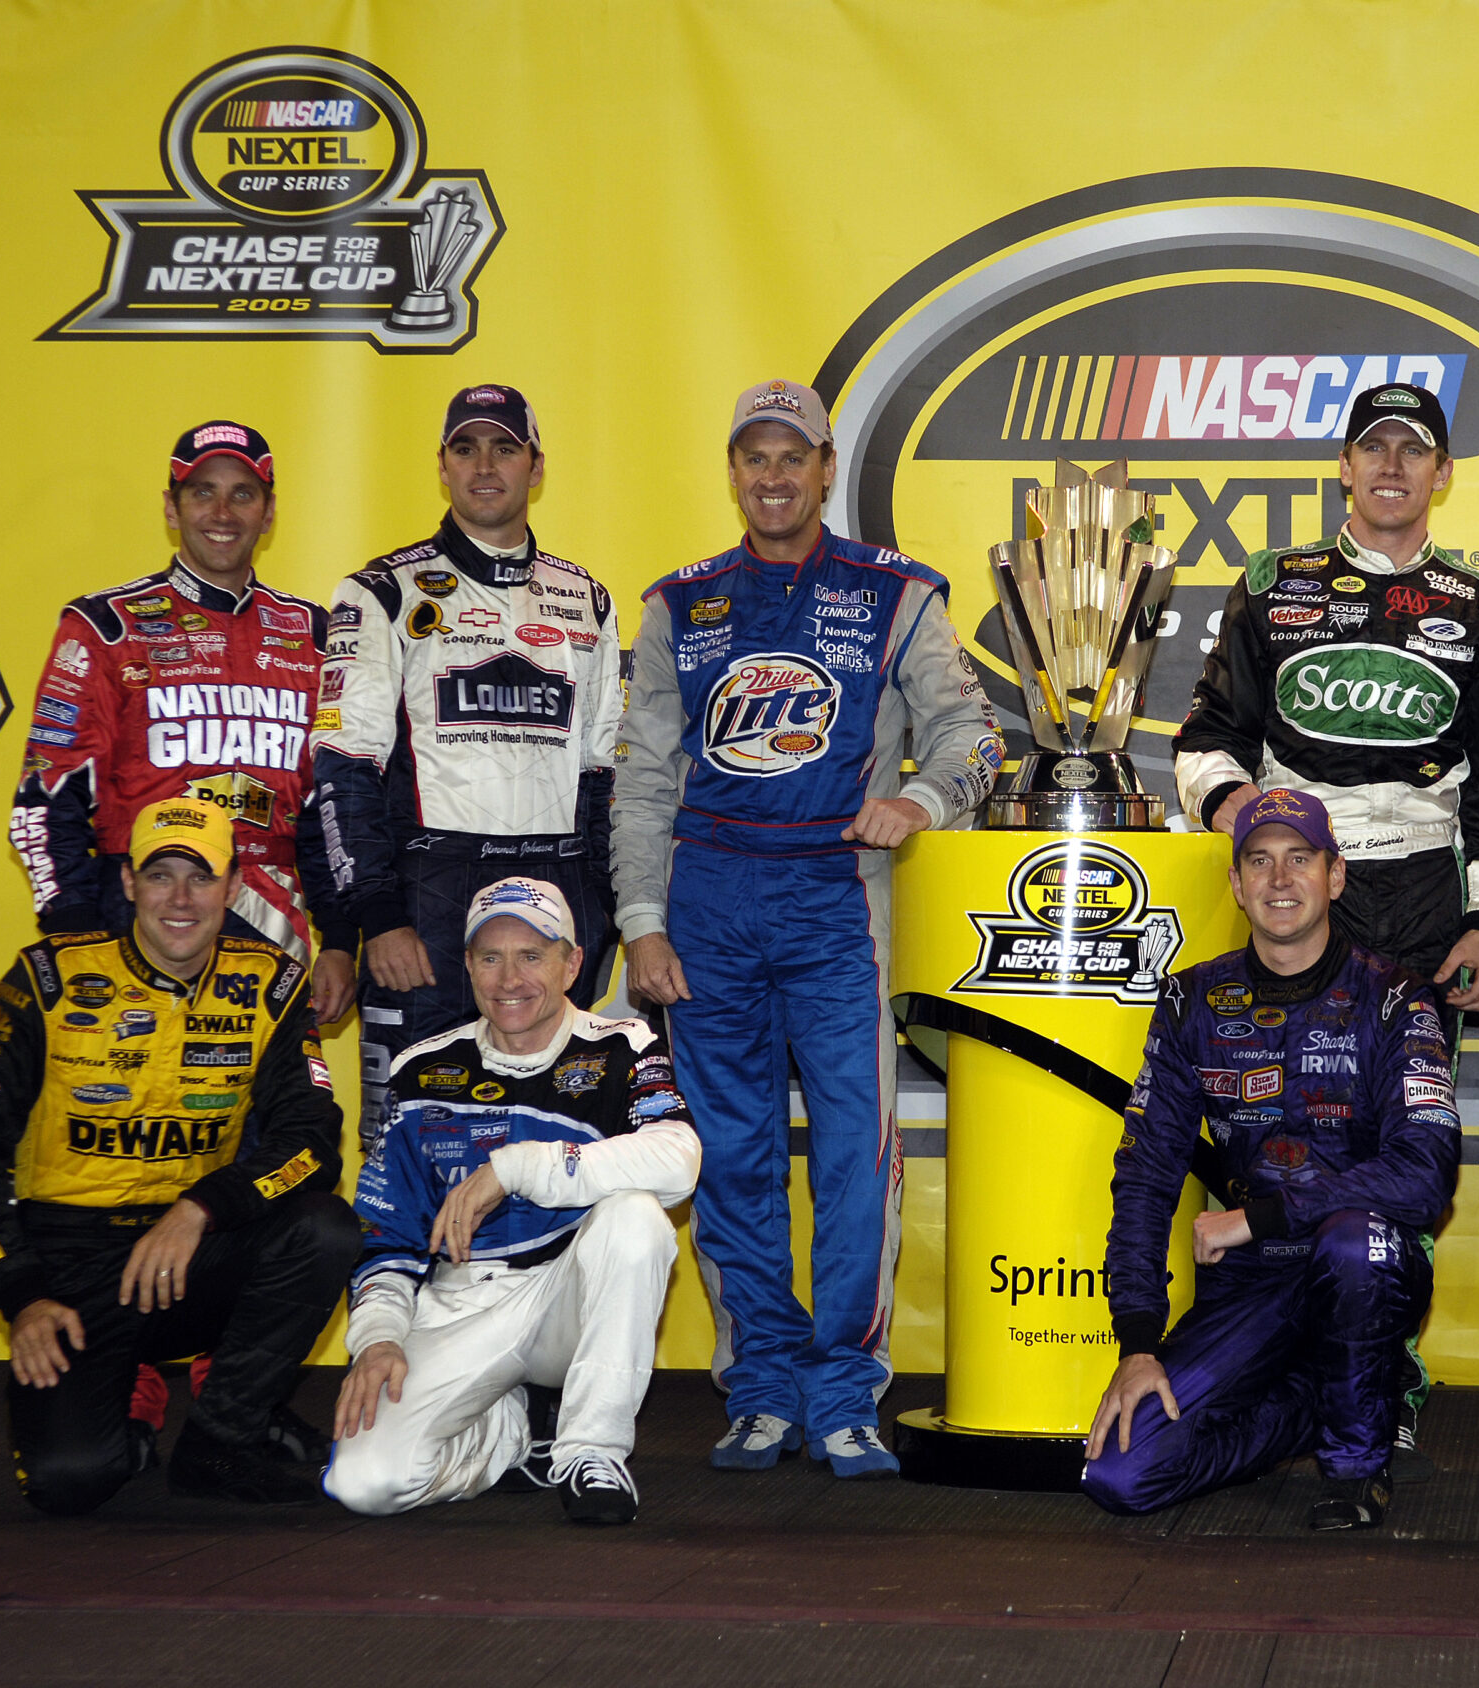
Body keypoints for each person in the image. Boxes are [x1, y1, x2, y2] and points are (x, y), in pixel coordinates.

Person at [609, 379, 1002, 1478]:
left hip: (840, 906)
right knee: (728, 1158)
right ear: (731, 472)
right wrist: (641, 919)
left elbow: (971, 730)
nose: (772, 477)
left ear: (827, 469)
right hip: (708, 910)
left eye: (793, 457)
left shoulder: (898, 591)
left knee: (852, 1161)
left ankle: (843, 1391)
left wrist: (921, 801)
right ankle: (763, 1386)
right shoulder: (678, 604)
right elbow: (639, 780)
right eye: (753, 458)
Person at [0, 798, 358, 1515]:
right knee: (71, 1482)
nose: (181, 899)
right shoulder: (49, 978)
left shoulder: (273, 983)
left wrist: (201, 1210)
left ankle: (222, 1441)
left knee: (323, 1228)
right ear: (128, 882)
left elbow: (310, 1144)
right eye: (160, 876)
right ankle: (118, 1417)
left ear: (231, 888)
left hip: (189, 1254)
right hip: (73, 1268)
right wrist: (22, 1294)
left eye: (201, 878)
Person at [1082, 790, 1459, 1531]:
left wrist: (1261, 1217)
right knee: (1120, 1475)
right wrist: (1137, 1342)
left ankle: (1355, 1468)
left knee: (1356, 1242)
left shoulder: (1397, 999)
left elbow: (1426, 1173)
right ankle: (1318, 1403)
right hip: (1250, 1287)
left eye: (1299, 860)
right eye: (1259, 861)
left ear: (1335, 876)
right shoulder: (1194, 999)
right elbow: (1147, 1172)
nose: (1279, 880)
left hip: (1358, 1264)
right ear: (1235, 883)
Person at [324, 878, 700, 1525]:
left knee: (636, 1219)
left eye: (532, 955)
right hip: (462, 1301)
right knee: (366, 1484)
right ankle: (507, 1429)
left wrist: (516, 1166)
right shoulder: (422, 1069)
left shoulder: (621, 1045)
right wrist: (379, 1340)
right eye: (490, 957)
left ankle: (591, 1451)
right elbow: (385, 1238)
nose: (509, 978)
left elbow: (679, 1159)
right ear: (466, 965)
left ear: (572, 964)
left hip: (568, 1299)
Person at [312, 385, 625, 1150]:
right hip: (430, 896)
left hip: (558, 889)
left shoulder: (585, 598)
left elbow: (605, 781)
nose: (486, 465)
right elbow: (341, 773)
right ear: (443, 467)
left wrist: (608, 913)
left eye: (505, 447)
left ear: (535, 465)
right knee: (413, 1137)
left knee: (558, 1131)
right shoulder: (381, 591)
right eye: (466, 447)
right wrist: (376, 919)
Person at [1173, 381, 1479, 1027]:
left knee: (1413, 1102)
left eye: (1413, 451)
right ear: (1345, 464)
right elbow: (1209, 735)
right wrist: (1228, 798)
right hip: (1301, 872)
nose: (1391, 467)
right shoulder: (1272, 584)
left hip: (1426, 883)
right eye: (1373, 447)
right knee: (1292, 1095)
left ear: (1442, 471)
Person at [11, 420, 346, 978]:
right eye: (202, 492)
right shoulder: (105, 626)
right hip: (137, 915)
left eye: (242, 493)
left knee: (279, 1070)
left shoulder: (315, 633)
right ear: (171, 508)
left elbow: (331, 804)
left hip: (273, 918)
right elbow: (45, 795)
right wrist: (74, 934)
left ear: (268, 512)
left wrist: (340, 934)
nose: (222, 513)